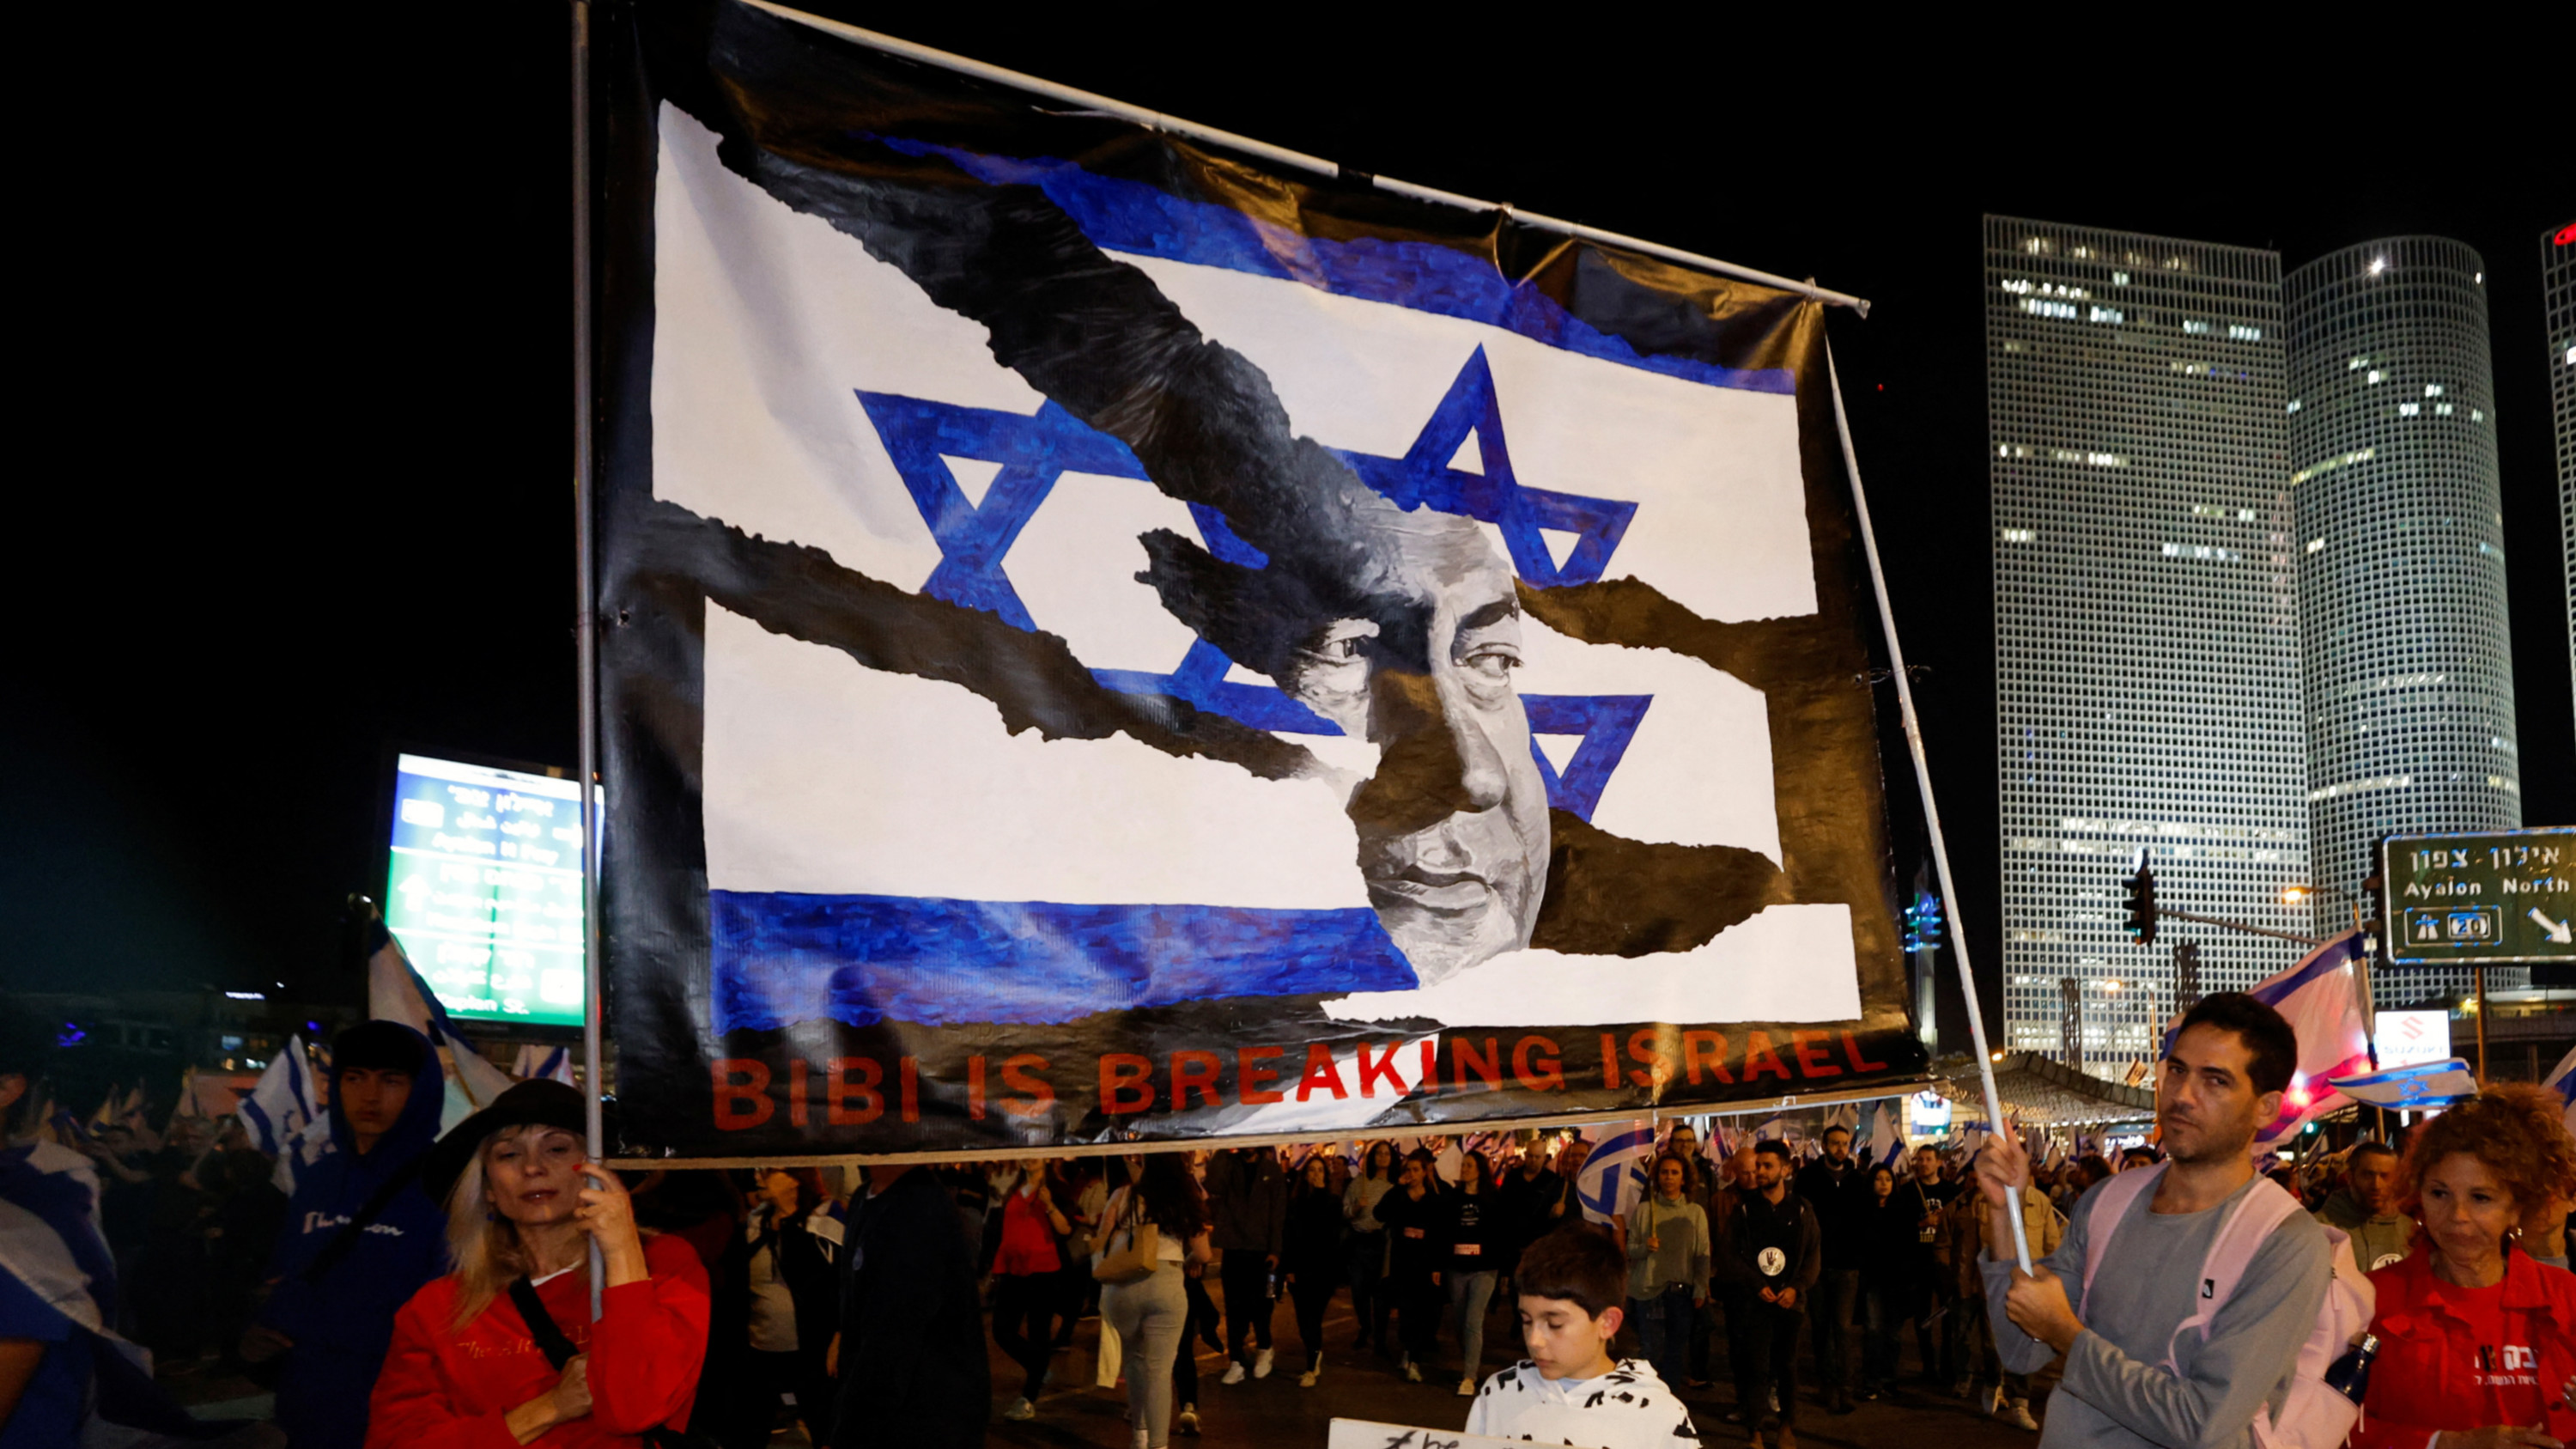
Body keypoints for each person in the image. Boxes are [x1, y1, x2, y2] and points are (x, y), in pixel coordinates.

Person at [1977, 992, 2333, 1449]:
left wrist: (2068, 1334)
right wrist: (2003, 1213)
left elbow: (2200, 1422)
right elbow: (2021, 1348)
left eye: (2216, 1081)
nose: (2182, 1095)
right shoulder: (2107, 1201)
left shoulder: (2284, 1242)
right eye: (2178, 1070)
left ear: (2265, 1108)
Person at [368, 1080, 710, 1447]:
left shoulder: (666, 1265)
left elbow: (636, 1410)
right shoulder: (436, 1309)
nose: (533, 1168)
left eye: (557, 1148)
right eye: (508, 1155)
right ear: (487, 1188)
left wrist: (623, 1251)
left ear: (596, 1168)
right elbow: (397, 1441)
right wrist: (551, 1407)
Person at [249, 1020, 451, 1449]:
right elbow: (287, 1271)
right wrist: (262, 1327)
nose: (370, 1096)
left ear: (421, 1090)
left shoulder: (447, 1184)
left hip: (398, 1406)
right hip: (306, 1400)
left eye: (391, 1081)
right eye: (354, 1078)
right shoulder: (319, 1176)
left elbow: (451, 1308)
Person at [2351, 1083, 2576, 1449]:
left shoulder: (2565, 1297)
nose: (2457, 1216)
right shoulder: (2369, 1299)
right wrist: (2444, 1443)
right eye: (2439, 1193)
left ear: (2517, 1207)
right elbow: (2326, 1428)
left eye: (2481, 1197)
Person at [1465, 1223, 1697, 1447]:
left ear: (1607, 1323)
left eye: (1555, 1324)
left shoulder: (1659, 1416)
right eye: (1527, 1320)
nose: (1534, 1340)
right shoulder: (1499, 1395)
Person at [1097, 1152, 1214, 1449]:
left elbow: (1101, 1238)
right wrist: (1185, 1260)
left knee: (1135, 1363)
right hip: (1166, 1284)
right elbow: (1204, 1255)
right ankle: (1158, 1446)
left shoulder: (1124, 1194)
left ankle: (1140, 1436)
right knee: (1160, 1371)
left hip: (1124, 1287)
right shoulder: (1183, 1198)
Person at [726, 1167, 841, 1446]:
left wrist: (839, 1337)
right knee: (749, 1432)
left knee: (826, 1428)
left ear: (793, 1178)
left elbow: (837, 1285)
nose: (756, 1176)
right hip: (759, 1349)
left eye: (767, 1170)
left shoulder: (826, 1220)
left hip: (812, 1352)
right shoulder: (754, 1223)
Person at [1942, 1155, 2053, 1430]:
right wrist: (1964, 1285)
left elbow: (2052, 1245)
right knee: (1993, 1344)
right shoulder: (1981, 1202)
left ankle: (2021, 1403)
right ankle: (1994, 1383)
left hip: (2029, 1287)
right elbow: (1969, 1249)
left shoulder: (2039, 1202)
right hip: (1993, 1287)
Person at [1722, 1139, 1820, 1449]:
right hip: (1755, 1303)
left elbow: (1813, 1256)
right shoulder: (1746, 1211)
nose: (1759, 1171)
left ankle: (1787, 1424)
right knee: (1756, 1366)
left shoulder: (1803, 1210)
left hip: (1790, 1302)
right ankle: (1755, 1429)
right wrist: (1754, 1283)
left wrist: (1797, 1287)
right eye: (1758, 1166)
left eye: (1767, 1166)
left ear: (1786, 1169)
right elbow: (1730, 1254)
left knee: (1787, 1366)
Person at [1795, 1122, 1871, 1413]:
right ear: (1824, 1146)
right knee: (1820, 1328)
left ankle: (1846, 1388)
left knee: (1843, 1329)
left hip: (1847, 1266)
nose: (1841, 1148)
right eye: (1835, 1143)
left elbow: (1864, 1222)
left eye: (1845, 1143)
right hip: (1816, 1265)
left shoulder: (1857, 1179)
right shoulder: (1808, 1177)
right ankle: (1826, 1385)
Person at [987, 1159, 1072, 1422]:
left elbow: (1066, 1228)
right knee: (1001, 1330)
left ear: (1046, 1157)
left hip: (1042, 1271)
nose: (1029, 1157)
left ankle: (1028, 1398)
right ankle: (1038, 1366)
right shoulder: (1016, 1187)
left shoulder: (1055, 1189)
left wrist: (1049, 1205)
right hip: (1013, 1269)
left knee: (1039, 1332)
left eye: (1036, 1152)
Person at [1624, 1153, 1710, 1396]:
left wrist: (1701, 1288)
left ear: (1684, 1179)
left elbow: (1702, 1254)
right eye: (1664, 1172)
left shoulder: (1695, 1213)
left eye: (1675, 1173)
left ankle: (1668, 1401)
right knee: (1650, 1351)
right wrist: (1644, 1248)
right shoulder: (1644, 1211)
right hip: (1648, 1290)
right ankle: (1646, 1399)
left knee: (1674, 1352)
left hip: (1681, 1293)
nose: (1669, 1177)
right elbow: (1630, 1249)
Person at [1205, 1145, 1285, 1383]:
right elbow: (1212, 1185)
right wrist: (1221, 1149)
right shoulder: (1229, 1165)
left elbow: (1278, 1212)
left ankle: (1264, 1348)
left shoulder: (1272, 1169)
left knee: (1261, 1306)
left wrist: (1275, 1249)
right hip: (1233, 1246)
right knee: (1234, 1307)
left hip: (1261, 1250)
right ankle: (1237, 1360)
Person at [1376, 1149, 1449, 1383]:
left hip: (1425, 1264)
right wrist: (1398, 1187)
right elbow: (1379, 1214)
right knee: (1406, 1312)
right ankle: (1408, 1350)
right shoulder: (1399, 1195)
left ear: (1426, 1171)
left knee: (1422, 1313)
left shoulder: (1434, 1197)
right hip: (1402, 1262)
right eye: (1409, 1169)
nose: (1412, 1174)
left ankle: (1415, 1361)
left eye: (1416, 1170)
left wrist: (1438, 1266)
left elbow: (1440, 1234)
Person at [1893, 1142, 1959, 1388]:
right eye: (1919, 1160)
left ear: (1939, 1163)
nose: (1923, 1164)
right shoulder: (1909, 1191)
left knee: (1949, 1316)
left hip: (1943, 1264)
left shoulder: (1950, 1192)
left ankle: (1948, 1366)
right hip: (1917, 1263)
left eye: (1928, 1159)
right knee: (1922, 1317)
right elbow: (1898, 1226)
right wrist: (1921, 1224)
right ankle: (1928, 1366)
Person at [1441, 1148, 1503, 1395]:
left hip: (1484, 1269)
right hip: (1457, 1268)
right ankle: (1470, 1358)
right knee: (1459, 1320)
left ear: (1479, 1170)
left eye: (1469, 1165)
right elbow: (1445, 1230)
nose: (1464, 1169)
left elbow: (1500, 1233)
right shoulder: (1453, 1199)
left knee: (1473, 1320)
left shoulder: (1492, 1198)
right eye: (1462, 1165)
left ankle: (1469, 1376)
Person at [1280, 1153, 1345, 1388]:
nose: (1316, 1174)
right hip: (1300, 1269)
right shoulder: (1296, 1203)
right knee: (1303, 1320)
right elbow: (1289, 1236)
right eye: (1312, 1170)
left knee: (1314, 1319)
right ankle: (1315, 1351)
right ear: (1305, 1175)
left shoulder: (1332, 1202)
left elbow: (1331, 1235)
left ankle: (1310, 1365)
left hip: (1323, 1270)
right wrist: (1288, 1267)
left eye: (1320, 1170)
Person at [1856, 1163, 1916, 1401]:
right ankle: (1870, 1381)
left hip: (1896, 1282)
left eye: (1888, 1179)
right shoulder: (1862, 1210)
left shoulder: (1902, 1210)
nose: (1883, 1183)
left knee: (1893, 1334)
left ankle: (1890, 1379)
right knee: (1872, 1331)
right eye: (1879, 1179)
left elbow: (1910, 1246)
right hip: (1871, 1280)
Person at [2314, 1141, 2416, 1274]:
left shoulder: (2409, 1229)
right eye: (2368, 1175)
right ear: (2350, 1177)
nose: (2376, 1185)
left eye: (2385, 1176)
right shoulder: (2322, 1229)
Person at [1343, 1142, 1397, 1353]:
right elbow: (1345, 1211)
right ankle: (1365, 1327)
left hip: (1381, 1243)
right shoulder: (1359, 1183)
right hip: (1359, 1242)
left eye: (1387, 1154)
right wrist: (1357, 1207)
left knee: (1381, 1294)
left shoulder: (1393, 1186)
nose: (1383, 1157)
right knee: (1359, 1291)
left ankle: (1381, 1337)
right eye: (1379, 1153)